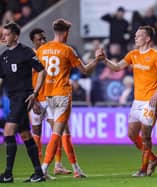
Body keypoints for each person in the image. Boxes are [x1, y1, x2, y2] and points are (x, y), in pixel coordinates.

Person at [96, 25, 157, 177]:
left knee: (146, 135)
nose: (135, 38)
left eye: (139, 35)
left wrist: (156, 94)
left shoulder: (156, 55)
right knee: (132, 134)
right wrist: (103, 60)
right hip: (138, 101)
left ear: (147, 38)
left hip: (151, 101)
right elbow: (116, 68)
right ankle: (153, 159)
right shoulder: (133, 54)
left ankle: (143, 169)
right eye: (135, 35)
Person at [36, 18, 99, 178]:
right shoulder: (67, 50)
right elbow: (84, 71)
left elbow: (36, 72)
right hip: (62, 95)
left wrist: (36, 94)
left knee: (65, 132)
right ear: (65, 32)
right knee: (57, 134)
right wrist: (97, 60)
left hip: (47, 95)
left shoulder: (42, 50)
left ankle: (76, 169)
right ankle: (42, 170)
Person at [0, 22, 46, 183]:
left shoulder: (26, 52)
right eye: (2, 34)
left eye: (6, 34)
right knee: (25, 134)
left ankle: (7, 174)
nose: (3, 37)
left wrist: (35, 93)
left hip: (23, 97)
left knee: (8, 130)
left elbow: (41, 70)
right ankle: (38, 173)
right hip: (12, 99)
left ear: (15, 36)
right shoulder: (4, 56)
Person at [29, 28, 72, 176]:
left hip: (50, 96)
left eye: (43, 38)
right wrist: (33, 99)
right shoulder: (31, 56)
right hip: (37, 100)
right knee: (36, 132)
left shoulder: (47, 53)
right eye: (39, 39)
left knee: (57, 131)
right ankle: (38, 168)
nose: (42, 41)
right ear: (33, 42)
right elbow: (27, 80)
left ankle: (58, 165)